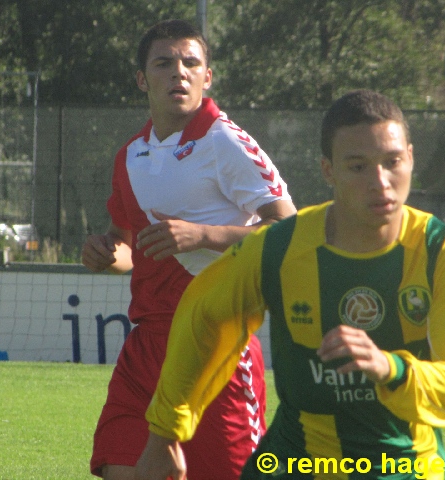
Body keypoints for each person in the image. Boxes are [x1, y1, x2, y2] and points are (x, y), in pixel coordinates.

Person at [134, 89, 445, 480]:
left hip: (406, 467)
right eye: (358, 167)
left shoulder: (444, 252)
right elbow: (202, 318)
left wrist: (391, 369)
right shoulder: (278, 247)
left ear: (410, 157)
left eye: (392, 162)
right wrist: (165, 434)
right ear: (329, 171)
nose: (381, 182)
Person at [81, 19, 296, 480]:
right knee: (122, 468)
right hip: (147, 345)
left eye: (190, 62)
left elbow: (291, 230)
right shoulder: (130, 155)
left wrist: (202, 235)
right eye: (164, 63)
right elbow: (130, 247)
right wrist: (104, 254)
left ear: (207, 77)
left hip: (215, 341)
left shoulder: (225, 141)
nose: (178, 72)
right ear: (142, 79)